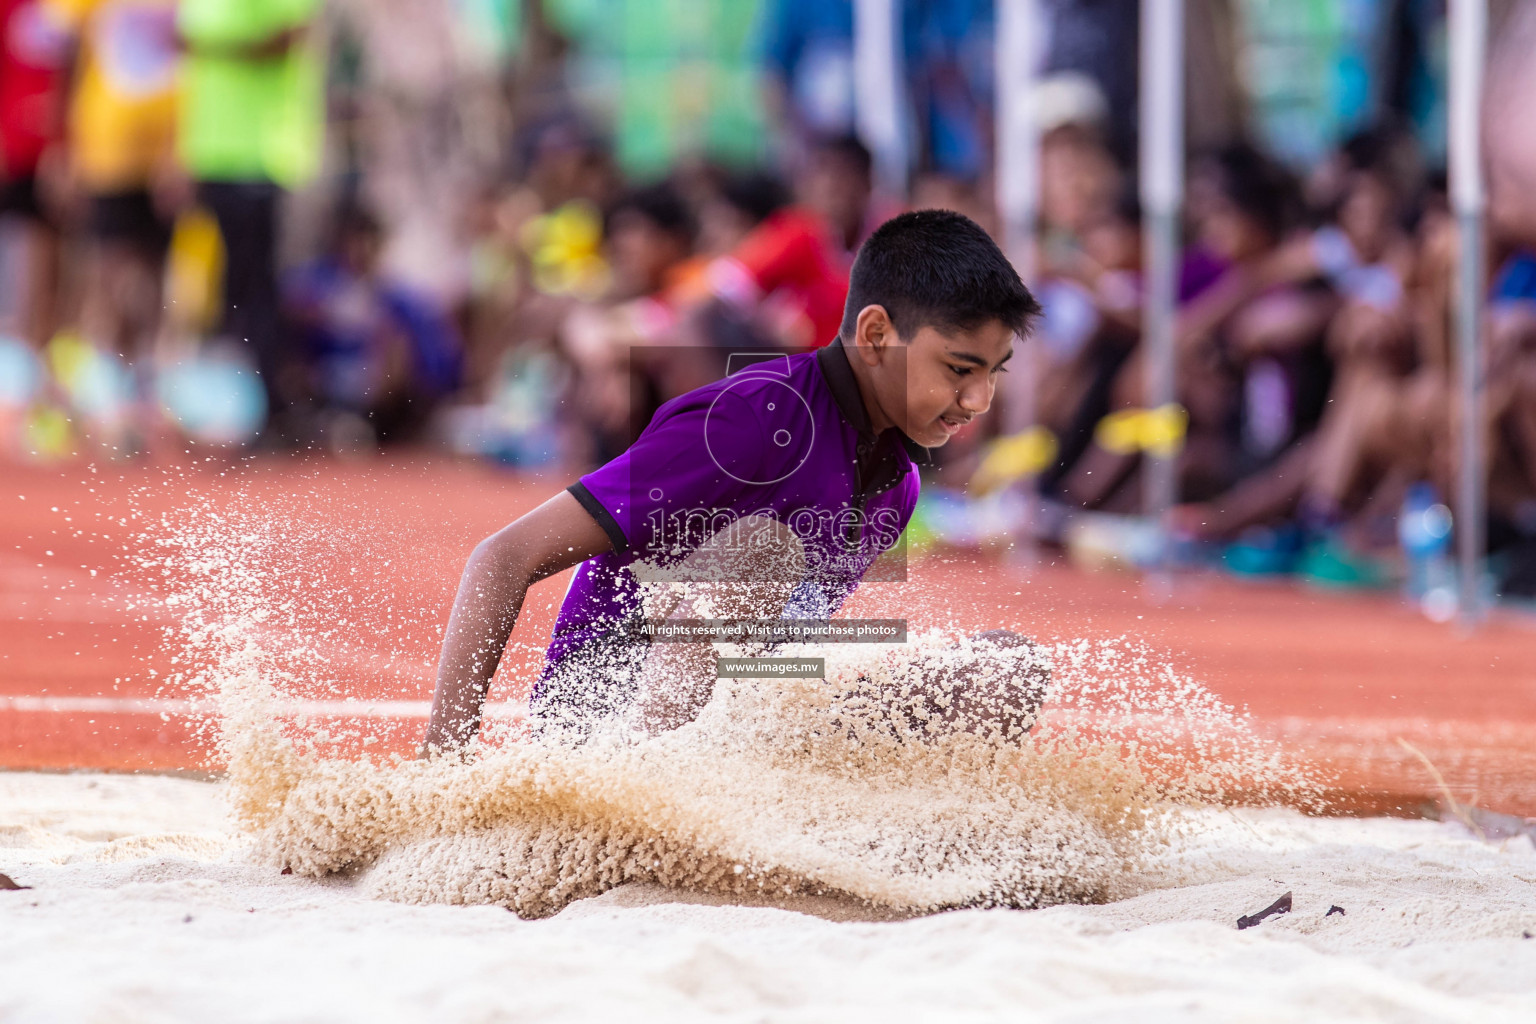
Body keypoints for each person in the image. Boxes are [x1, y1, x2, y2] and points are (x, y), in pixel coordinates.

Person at [422, 209, 1043, 752]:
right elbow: (500, 557)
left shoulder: (896, 486)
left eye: (994, 373)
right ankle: (644, 798)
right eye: (961, 369)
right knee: (765, 552)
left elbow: (773, 660)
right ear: (877, 334)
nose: (980, 399)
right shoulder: (749, 420)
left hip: (740, 730)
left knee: (1003, 671)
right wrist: (444, 771)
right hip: (604, 733)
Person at [175, 0, 324, 430]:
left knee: (257, 286)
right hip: (213, 155)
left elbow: (289, 37)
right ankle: (237, 405)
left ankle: (268, 407)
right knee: (228, 284)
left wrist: (210, 48)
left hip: (262, 154)